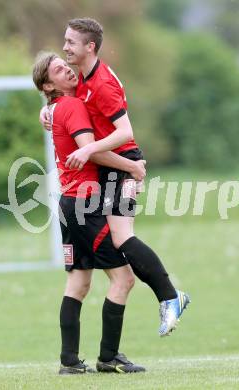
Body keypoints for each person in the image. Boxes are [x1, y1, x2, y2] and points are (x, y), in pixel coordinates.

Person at [40, 18, 190, 337]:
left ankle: (171, 296)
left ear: (89, 47)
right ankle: (169, 298)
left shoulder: (103, 84)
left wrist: (93, 151)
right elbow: (72, 106)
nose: (65, 47)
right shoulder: (83, 78)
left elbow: (125, 132)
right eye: (65, 41)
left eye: (70, 42)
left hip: (122, 161)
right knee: (119, 240)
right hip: (113, 166)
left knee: (121, 238)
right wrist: (47, 108)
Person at [33, 52, 146, 374]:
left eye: (64, 64)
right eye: (58, 69)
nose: (66, 69)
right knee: (123, 278)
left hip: (70, 205)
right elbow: (92, 153)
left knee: (78, 285)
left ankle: (69, 361)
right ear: (47, 84)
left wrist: (46, 107)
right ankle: (109, 358)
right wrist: (132, 167)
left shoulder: (56, 108)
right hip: (86, 205)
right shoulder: (71, 106)